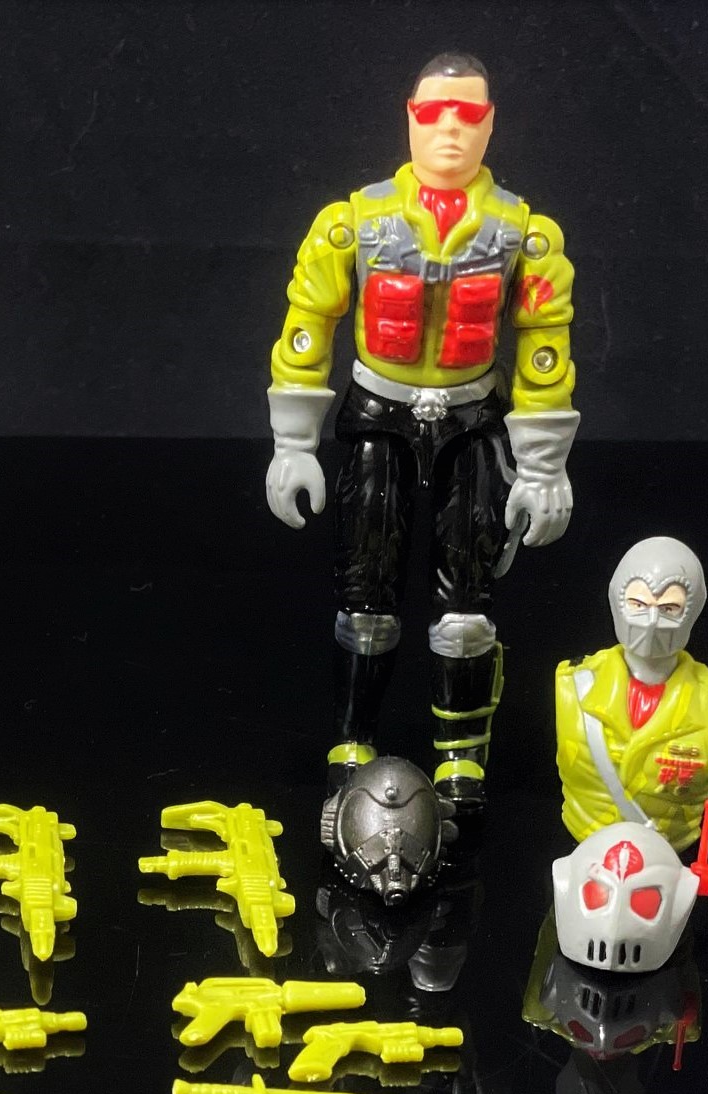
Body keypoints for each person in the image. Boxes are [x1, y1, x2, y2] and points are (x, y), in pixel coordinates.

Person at [264, 51, 577, 810]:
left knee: (466, 601)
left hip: (472, 420)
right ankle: (352, 738)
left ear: (490, 124)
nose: (450, 129)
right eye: (435, 112)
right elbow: (308, 324)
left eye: (468, 115)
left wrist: (542, 467)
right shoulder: (353, 224)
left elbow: (544, 346)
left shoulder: (524, 234)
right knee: (365, 589)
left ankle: (460, 757)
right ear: (409, 117)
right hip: (379, 414)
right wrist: (293, 444)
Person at [555, 536, 708, 851]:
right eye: (638, 604)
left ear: (692, 611)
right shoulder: (574, 681)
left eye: (669, 608)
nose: (653, 622)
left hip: (669, 853)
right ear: (617, 602)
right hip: (583, 841)